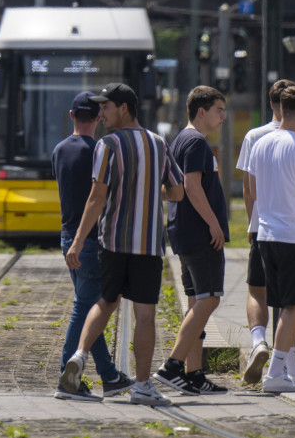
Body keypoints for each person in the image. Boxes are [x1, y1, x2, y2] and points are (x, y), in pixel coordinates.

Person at [59, 82, 185, 407]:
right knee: (145, 315)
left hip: (113, 241)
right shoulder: (159, 144)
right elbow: (177, 191)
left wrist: (76, 243)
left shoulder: (108, 145)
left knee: (104, 301)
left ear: (123, 108)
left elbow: (96, 198)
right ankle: (142, 386)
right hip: (147, 245)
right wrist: (152, 191)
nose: (100, 114)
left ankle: (80, 356)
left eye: (106, 107)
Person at [236, 79, 295, 385]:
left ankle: (294, 370)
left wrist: (255, 221)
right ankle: (275, 372)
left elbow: (252, 190)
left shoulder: (258, 142)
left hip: (265, 233)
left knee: (273, 298)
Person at [52, 90, 133, 401]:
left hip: (67, 237)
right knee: (85, 307)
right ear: (99, 118)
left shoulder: (60, 150)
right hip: (90, 240)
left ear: (72, 116)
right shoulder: (100, 150)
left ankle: (109, 375)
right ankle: (67, 378)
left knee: (90, 308)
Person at [154, 86, 229, 395]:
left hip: (182, 231)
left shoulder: (181, 139)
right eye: (219, 110)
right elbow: (191, 186)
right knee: (210, 299)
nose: (223, 116)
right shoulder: (196, 142)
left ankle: (194, 373)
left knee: (197, 301)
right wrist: (214, 224)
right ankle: (172, 366)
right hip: (199, 234)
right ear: (202, 111)